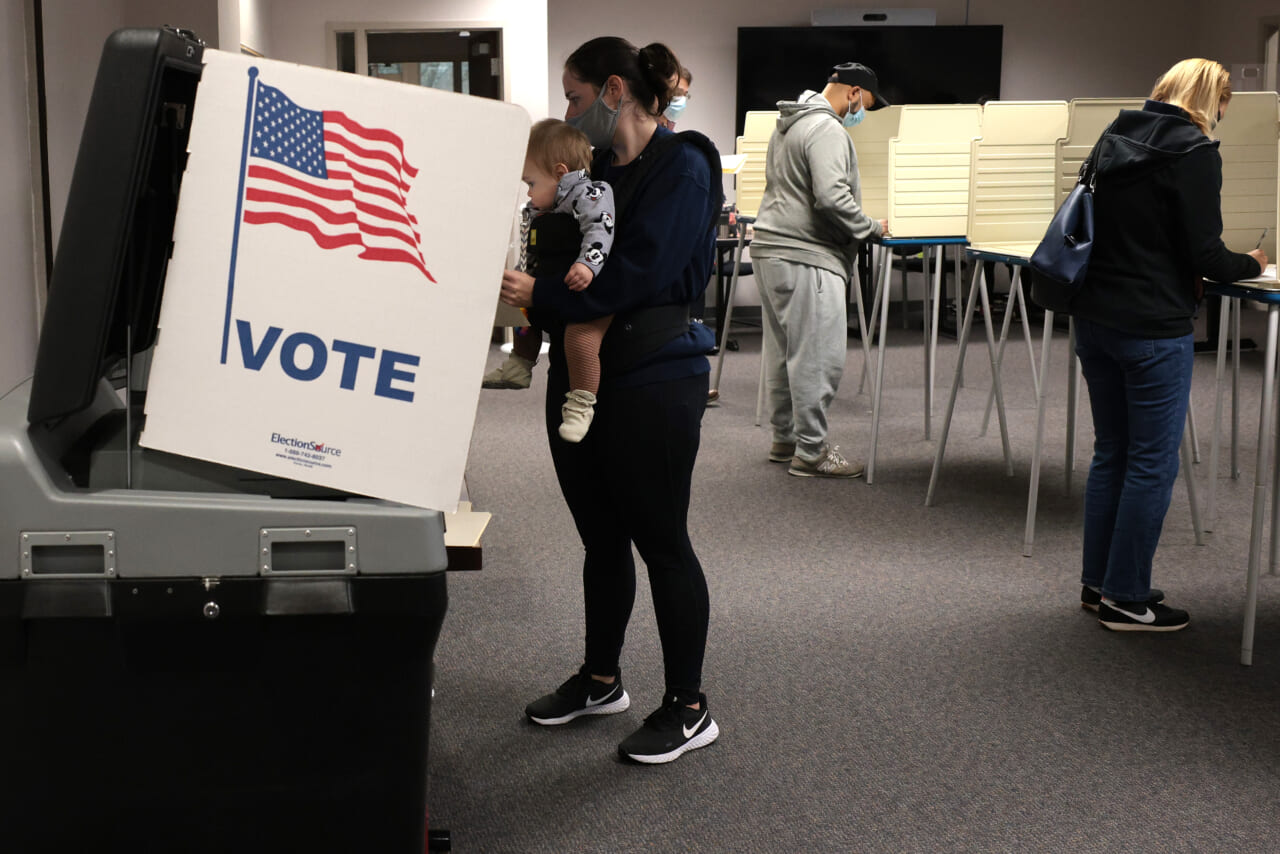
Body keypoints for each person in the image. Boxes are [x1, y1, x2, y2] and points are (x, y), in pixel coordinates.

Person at [498, 36, 723, 764]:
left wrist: (545, 292)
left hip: (655, 375)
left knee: (662, 542)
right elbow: (556, 256)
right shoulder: (592, 176)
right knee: (600, 536)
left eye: (574, 95)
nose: (568, 110)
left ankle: (689, 706)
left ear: (615, 90)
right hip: (582, 371)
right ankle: (601, 680)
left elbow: (641, 272)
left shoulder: (683, 166)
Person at [1068, 58, 1265, 631]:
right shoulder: (1195, 152)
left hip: (1096, 318)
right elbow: (1205, 253)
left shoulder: (1115, 134)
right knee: (1152, 464)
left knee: (1112, 453)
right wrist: (1250, 263)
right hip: (1153, 327)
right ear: (1213, 100)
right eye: (1223, 107)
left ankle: (1098, 584)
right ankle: (1127, 598)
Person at [750, 62, 890, 478]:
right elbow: (831, 198)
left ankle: (785, 439)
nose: (861, 113)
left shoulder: (790, 123)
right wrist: (870, 228)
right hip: (806, 255)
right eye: (864, 103)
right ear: (852, 93)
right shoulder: (827, 129)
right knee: (816, 358)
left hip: (772, 249)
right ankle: (812, 451)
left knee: (782, 353)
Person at [483, 119, 616, 442]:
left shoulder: (592, 193)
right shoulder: (544, 206)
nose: (528, 191)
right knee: (522, 316)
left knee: (579, 339)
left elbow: (600, 231)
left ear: (559, 173)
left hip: (586, 289)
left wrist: (587, 265)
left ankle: (582, 402)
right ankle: (520, 363)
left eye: (531, 182)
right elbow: (533, 247)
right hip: (550, 285)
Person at [658, 65, 691, 130]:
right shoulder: (644, 121)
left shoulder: (670, 125)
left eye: (685, 94)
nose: (682, 99)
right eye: (678, 92)